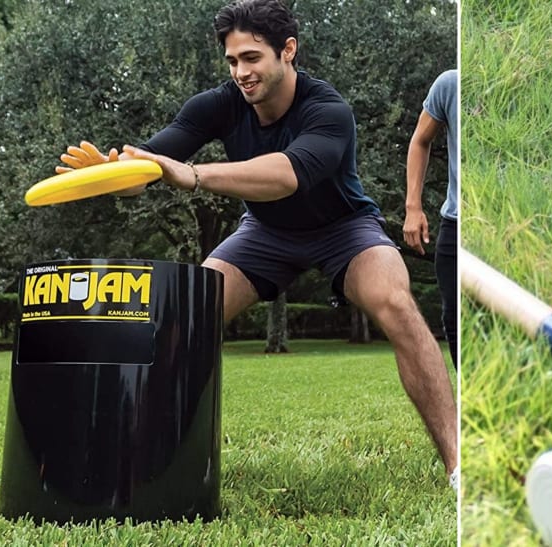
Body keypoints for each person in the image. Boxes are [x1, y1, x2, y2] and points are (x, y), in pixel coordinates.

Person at [56, 0, 457, 486]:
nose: (241, 72)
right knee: (184, 315)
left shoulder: (328, 110)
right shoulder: (216, 105)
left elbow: (289, 175)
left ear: (287, 51)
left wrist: (197, 174)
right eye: (232, 61)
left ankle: (459, 463)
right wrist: (112, 174)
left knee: (397, 304)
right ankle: (150, 459)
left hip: (344, 228)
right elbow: (153, 166)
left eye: (251, 58)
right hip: (265, 234)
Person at [403, 69, 457, 369]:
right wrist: (413, 206)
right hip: (455, 223)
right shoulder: (450, 84)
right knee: (453, 318)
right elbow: (419, 141)